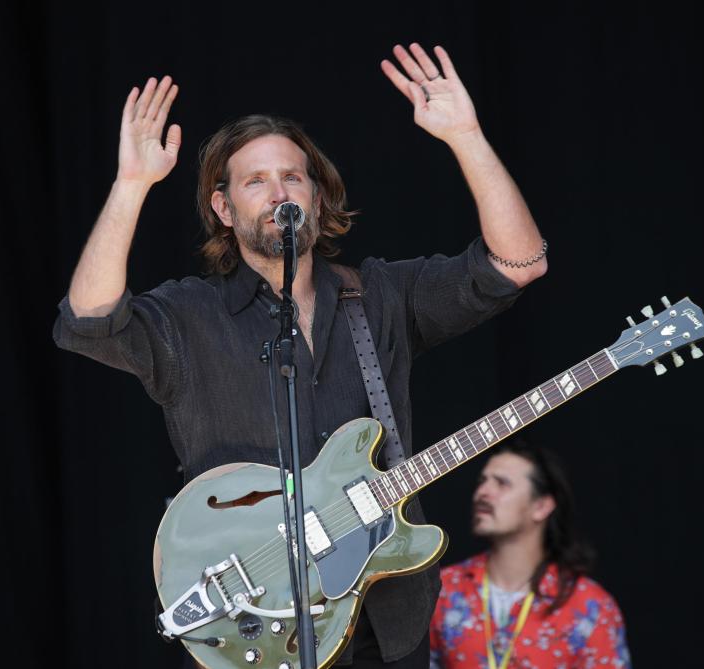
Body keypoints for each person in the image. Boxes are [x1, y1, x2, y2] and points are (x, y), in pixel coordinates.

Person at [53, 42, 547, 668]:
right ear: (224, 210)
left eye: (292, 176)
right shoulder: (190, 315)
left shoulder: (382, 296)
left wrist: (467, 136)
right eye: (255, 181)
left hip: (379, 621)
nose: (277, 190)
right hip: (250, 625)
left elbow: (518, 265)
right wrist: (130, 185)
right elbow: (90, 320)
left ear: (316, 197)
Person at [429, 439, 631, 669]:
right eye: (482, 481)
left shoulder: (590, 606)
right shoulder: (443, 588)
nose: (482, 492)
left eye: (502, 483)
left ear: (542, 506)